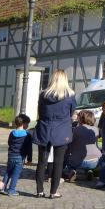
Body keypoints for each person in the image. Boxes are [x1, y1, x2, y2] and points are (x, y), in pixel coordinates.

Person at [33, 69, 76, 198]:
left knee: (41, 162)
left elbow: (40, 111)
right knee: (58, 163)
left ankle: (39, 191)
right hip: (62, 130)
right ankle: (53, 192)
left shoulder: (43, 95)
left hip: (45, 128)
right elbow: (71, 112)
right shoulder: (70, 95)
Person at [64, 110, 102, 182]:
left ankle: (72, 171)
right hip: (95, 161)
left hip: (79, 161)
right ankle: (89, 171)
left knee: (67, 156)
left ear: (82, 118)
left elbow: (69, 143)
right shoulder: (96, 129)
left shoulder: (76, 129)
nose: (77, 118)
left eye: (78, 116)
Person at [2, 114, 32, 196]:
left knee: (8, 172)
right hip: (20, 157)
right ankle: (11, 190)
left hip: (11, 155)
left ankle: (2, 188)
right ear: (23, 124)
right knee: (15, 174)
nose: (28, 125)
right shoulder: (27, 135)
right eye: (27, 123)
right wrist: (29, 159)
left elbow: (9, 143)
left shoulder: (12, 133)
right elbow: (29, 148)